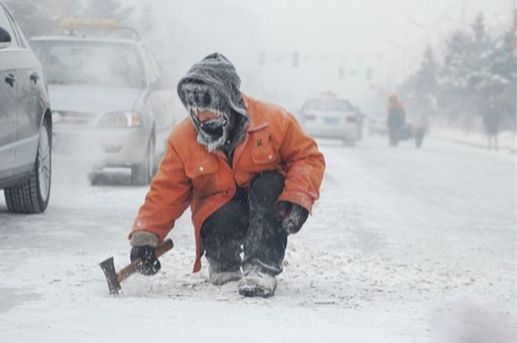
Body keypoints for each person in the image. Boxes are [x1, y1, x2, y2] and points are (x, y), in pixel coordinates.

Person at [127, 53, 326, 298]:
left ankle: (260, 268)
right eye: (195, 110)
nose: (200, 116)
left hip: (265, 210)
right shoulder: (183, 139)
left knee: (270, 182)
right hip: (220, 216)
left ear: (229, 101)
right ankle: (224, 264)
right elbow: (166, 191)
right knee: (215, 206)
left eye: (208, 110)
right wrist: (146, 238)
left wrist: (297, 199)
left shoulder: (273, 121)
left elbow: (308, 158)